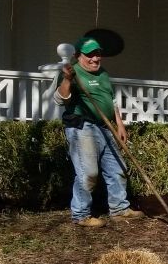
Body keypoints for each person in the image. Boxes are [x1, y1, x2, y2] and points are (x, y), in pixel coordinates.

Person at [53, 36, 143, 227]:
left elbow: (112, 101)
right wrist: (68, 80)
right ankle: (81, 215)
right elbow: (60, 99)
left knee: (117, 168)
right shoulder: (72, 72)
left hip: (105, 127)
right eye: (90, 55)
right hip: (82, 127)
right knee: (88, 173)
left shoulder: (102, 73)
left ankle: (119, 209)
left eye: (97, 55)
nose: (95, 59)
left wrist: (119, 124)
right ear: (78, 56)